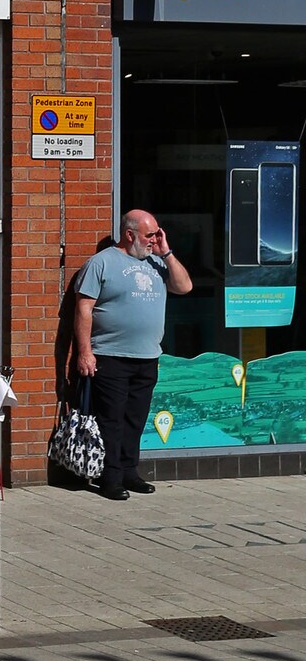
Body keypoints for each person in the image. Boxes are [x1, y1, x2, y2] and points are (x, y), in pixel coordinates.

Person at [73, 209, 193, 500]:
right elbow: (83, 308)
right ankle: (110, 477)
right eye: (149, 235)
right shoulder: (101, 263)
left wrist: (167, 253)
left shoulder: (157, 262)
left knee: (135, 419)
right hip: (110, 355)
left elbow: (184, 286)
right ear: (129, 235)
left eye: (156, 234)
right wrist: (85, 352)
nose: (154, 240)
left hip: (147, 356)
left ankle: (129, 471)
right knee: (111, 419)